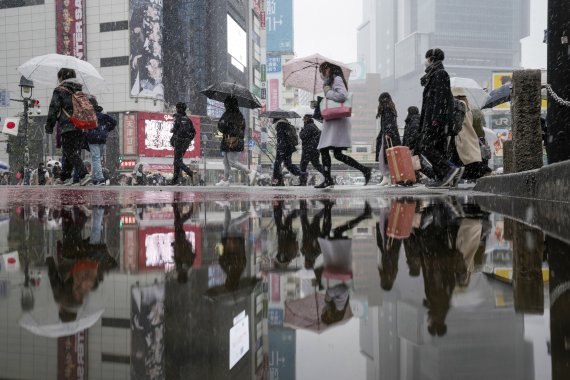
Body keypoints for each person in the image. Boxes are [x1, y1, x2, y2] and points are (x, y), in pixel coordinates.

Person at [315, 62, 371, 188]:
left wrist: (328, 92)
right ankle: (364, 170)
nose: (321, 73)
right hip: (334, 121)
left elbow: (342, 96)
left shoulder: (336, 79)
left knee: (324, 149)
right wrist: (319, 103)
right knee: (337, 154)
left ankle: (328, 179)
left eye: (322, 70)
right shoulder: (330, 82)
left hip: (337, 121)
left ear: (328, 68)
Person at [418, 49, 461, 188]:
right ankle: (443, 177)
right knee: (438, 149)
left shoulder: (440, 74)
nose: (424, 62)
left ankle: (449, 169)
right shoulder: (433, 75)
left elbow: (440, 99)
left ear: (431, 58)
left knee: (425, 146)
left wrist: (436, 119)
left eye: (426, 58)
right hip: (433, 119)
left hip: (436, 120)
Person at [45, 68, 90, 186]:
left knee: (70, 152)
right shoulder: (79, 91)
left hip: (68, 126)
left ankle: (84, 174)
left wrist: (49, 126)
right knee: (70, 151)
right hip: (80, 126)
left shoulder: (59, 90)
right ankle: (64, 177)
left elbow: (53, 108)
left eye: (59, 77)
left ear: (62, 78)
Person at [448, 87, 491, 182]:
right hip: (469, 136)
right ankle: (479, 174)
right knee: (470, 159)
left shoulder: (459, 105)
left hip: (461, 136)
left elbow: (456, 123)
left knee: (462, 159)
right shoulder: (469, 107)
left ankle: (477, 173)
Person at [216, 96, 257, 186]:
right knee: (226, 162)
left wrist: (225, 125)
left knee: (232, 162)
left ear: (228, 104)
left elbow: (228, 127)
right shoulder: (237, 115)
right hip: (230, 140)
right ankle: (225, 180)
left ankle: (250, 172)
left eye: (226, 104)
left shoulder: (232, 115)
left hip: (233, 140)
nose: (224, 105)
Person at [85, 97, 117, 186]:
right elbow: (114, 122)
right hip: (102, 138)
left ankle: (100, 179)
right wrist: (106, 129)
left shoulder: (88, 115)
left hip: (92, 138)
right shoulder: (102, 115)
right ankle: (95, 179)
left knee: (95, 158)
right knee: (98, 158)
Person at [375, 92, 401, 187]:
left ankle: (387, 177)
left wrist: (388, 133)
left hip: (388, 135)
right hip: (390, 134)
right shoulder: (391, 106)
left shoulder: (386, 107)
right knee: (390, 157)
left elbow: (388, 121)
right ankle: (390, 178)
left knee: (384, 157)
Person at [170, 102, 195, 185]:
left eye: (177, 108)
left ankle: (190, 173)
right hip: (185, 143)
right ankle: (175, 180)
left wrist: (175, 132)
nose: (176, 109)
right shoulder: (188, 119)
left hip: (179, 142)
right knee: (178, 160)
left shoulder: (178, 117)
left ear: (179, 109)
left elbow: (178, 130)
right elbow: (194, 132)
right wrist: (188, 139)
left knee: (177, 161)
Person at [272, 118, 302, 186]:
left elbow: (281, 139)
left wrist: (281, 150)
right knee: (288, 164)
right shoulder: (286, 124)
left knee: (277, 164)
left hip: (283, 148)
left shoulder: (280, 125)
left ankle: (276, 181)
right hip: (289, 148)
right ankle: (302, 174)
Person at [298, 115, 325, 186]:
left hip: (308, 150)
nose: (303, 120)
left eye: (304, 119)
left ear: (307, 119)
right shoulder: (314, 126)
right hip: (314, 149)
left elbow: (302, 136)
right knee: (317, 165)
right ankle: (327, 176)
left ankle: (302, 182)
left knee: (303, 165)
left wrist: (301, 130)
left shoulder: (308, 127)